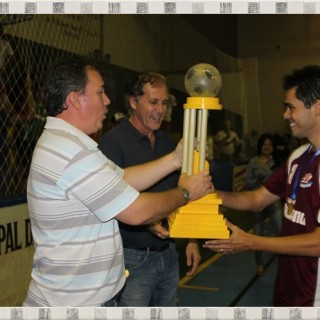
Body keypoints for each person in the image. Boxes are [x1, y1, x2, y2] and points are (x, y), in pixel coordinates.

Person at [23, 56, 213, 307]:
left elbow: (122, 178)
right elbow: (136, 212)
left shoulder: (72, 144)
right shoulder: (71, 152)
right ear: (75, 99)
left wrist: (176, 159)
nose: (107, 100)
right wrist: (186, 192)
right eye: (100, 92)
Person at [203, 65, 320, 306]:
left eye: (291, 107)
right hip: (288, 288)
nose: (285, 115)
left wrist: (250, 241)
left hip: (314, 295)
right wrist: (207, 193)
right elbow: (257, 200)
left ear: (317, 108)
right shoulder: (298, 156)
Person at [99, 72, 201, 307]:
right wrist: (148, 221)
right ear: (134, 102)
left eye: (164, 103)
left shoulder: (167, 143)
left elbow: (185, 192)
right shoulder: (113, 142)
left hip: (168, 253)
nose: (160, 109)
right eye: (153, 102)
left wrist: (192, 239)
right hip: (132, 258)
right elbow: (111, 199)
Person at [244, 133, 283, 276]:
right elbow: (247, 181)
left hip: (273, 199)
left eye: (270, 145)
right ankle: (259, 263)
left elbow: (284, 181)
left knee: (280, 230)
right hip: (257, 200)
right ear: (260, 146)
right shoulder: (253, 162)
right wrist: (257, 182)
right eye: (265, 144)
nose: (267, 147)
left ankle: (284, 263)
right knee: (258, 232)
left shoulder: (278, 162)